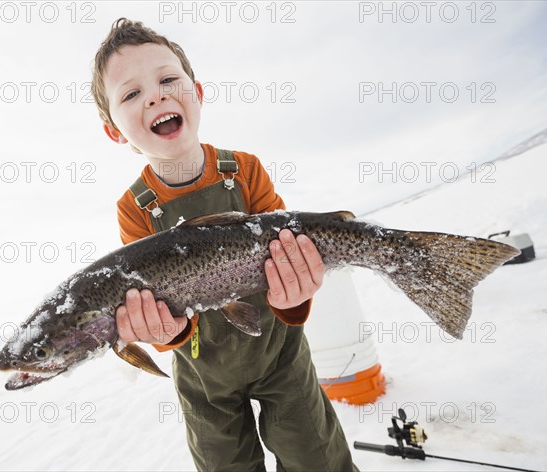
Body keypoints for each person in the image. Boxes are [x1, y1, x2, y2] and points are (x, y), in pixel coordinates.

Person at [91, 17, 358, 472]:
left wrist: (295, 299)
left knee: (317, 457)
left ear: (197, 91)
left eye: (167, 79)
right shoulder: (135, 209)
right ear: (114, 130)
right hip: (203, 377)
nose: (155, 95)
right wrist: (164, 331)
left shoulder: (245, 170)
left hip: (281, 356)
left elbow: (289, 263)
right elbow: (157, 314)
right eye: (131, 93)